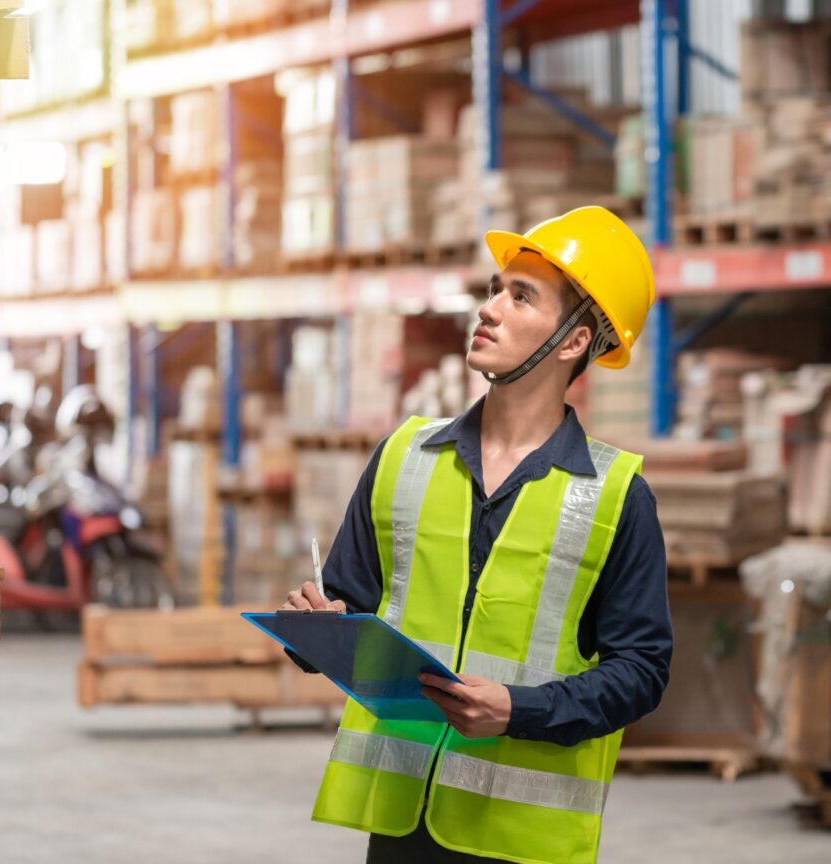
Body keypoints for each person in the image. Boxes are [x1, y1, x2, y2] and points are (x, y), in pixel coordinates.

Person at [281, 206, 673, 864]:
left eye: (521, 296)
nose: (489, 308)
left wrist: (518, 709)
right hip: (404, 826)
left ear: (574, 341)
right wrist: (318, 629)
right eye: (495, 288)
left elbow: (641, 671)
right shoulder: (405, 458)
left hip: (521, 837)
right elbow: (347, 600)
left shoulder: (616, 496)